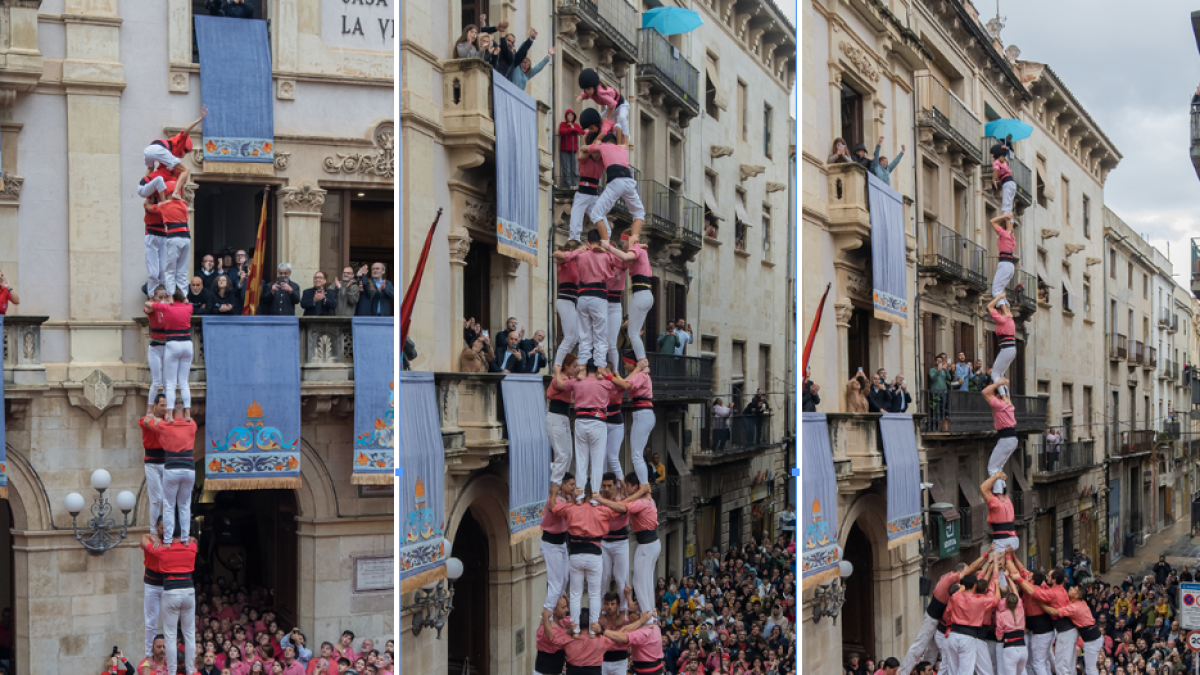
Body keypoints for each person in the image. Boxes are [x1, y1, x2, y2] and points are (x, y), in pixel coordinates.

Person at [550, 480, 629, 633]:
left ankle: (575, 629)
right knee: (594, 594)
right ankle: (593, 630)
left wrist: (554, 493)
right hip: (594, 554)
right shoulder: (602, 509)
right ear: (596, 492)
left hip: (576, 554)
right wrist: (608, 498)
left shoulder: (571, 508)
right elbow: (623, 509)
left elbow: (553, 508)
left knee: (575, 594)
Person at [896, 556, 986, 675]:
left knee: (932, 652)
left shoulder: (956, 584)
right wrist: (986, 556)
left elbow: (976, 574)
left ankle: (926, 672)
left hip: (940, 623)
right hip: (932, 618)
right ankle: (902, 672)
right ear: (960, 572)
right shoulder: (949, 579)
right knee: (919, 646)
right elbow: (972, 570)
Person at [554, 361, 629, 498]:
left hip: (580, 420)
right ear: (598, 369)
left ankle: (580, 496)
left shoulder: (577, 382)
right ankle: (595, 495)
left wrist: (557, 370)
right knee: (597, 462)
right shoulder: (605, 383)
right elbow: (625, 385)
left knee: (581, 461)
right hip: (598, 421)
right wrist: (608, 374)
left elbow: (560, 384)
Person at [554, 229, 620, 369]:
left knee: (581, 336)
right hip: (592, 296)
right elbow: (622, 261)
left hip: (581, 298)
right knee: (597, 335)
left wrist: (583, 251)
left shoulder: (581, 257)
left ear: (587, 242)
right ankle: (599, 365)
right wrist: (607, 248)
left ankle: (580, 366)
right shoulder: (603, 255)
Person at [583, 123, 645, 247]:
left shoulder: (604, 147)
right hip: (629, 181)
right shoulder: (623, 148)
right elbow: (619, 127)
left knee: (596, 214)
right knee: (639, 213)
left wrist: (590, 139)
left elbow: (585, 149)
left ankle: (605, 244)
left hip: (616, 181)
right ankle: (635, 241)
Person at [604, 234, 655, 364]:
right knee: (634, 333)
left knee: (633, 334)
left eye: (623, 242)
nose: (623, 245)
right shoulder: (639, 249)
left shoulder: (636, 250)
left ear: (628, 240)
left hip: (641, 294)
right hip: (646, 295)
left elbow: (626, 257)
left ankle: (642, 362)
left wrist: (608, 247)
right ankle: (642, 361)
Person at [156, 522, 198, 675]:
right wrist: (190, 538)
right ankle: (190, 670)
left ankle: (172, 671)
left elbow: (145, 545)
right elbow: (195, 541)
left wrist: (154, 536)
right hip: (188, 590)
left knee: (170, 635)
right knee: (189, 633)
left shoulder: (162, 550)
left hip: (171, 591)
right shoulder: (191, 547)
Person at [146, 290, 194, 422]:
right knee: (183, 382)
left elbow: (149, 304)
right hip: (186, 343)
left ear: (171, 297)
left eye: (166, 296)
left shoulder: (166, 307)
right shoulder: (188, 307)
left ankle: (170, 415)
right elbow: (188, 304)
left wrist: (159, 301)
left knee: (170, 383)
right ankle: (187, 414)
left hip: (172, 344)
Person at [617, 473, 658, 626]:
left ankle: (647, 616)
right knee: (646, 581)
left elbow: (622, 506)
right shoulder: (647, 500)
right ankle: (650, 612)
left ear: (635, 487)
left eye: (627, 486)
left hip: (646, 545)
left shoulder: (641, 502)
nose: (625, 488)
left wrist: (640, 492)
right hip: (650, 543)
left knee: (639, 582)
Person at [570, 111, 616, 242]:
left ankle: (602, 247)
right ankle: (574, 245)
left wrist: (602, 135)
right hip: (583, 193)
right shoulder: (585, 156)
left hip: (594, 195)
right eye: (596, 152)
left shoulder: (601, 159)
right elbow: (584, 152)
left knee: (606, 229)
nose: (597, 155)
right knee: (575, 227)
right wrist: (590, 141)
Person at [143, 107, 205, 199]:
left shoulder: (168, 155)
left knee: (150, 168)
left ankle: (145, 186)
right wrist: (199, 119)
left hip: (149, 150)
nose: (184, 155)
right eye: (186, 152)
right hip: (159, 149)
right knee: (186, 170)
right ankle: (175, 192)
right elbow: (186, 130)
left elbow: (161, 168)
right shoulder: (180, 143)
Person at [158, 403, 198, 547]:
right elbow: (189, 420)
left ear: (171, 412)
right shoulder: (192, 424)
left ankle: (168, 540)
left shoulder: (166, 426)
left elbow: (154, 427)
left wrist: (165, 417)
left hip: (172, 468)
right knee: (185, 505)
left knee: (169, 505)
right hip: (189, 468)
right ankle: (185, 538)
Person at [143, 179, 192, 296]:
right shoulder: (175, 204)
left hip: (165, 236)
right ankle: (153, 295)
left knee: (165, 271)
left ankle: (167, 295)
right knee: (154, 273)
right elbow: (148, 205)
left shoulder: (166, 205)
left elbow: (149, 206)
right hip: (152, 234)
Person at [598, 476, 632, 616]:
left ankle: (623, 611)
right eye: (604, 486)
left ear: (614, 486)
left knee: (620, 578)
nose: (606, 489)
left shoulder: (622, 499)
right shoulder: (598, 499)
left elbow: (622, 508)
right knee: (603, 578)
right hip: (603, 542)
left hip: (620, 543)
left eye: (609, 486)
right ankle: (602, 611)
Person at [577, 67, 631, 143]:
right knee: (599, 120)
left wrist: (608, 117)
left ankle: (626, 141)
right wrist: (580, 97)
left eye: (588, 89)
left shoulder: (600, 92)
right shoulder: (590, 92)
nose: (587, 92)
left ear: (594, 86)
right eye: (585, 90)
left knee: (622, 117)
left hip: (621, 104)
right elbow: (584, 94)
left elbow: (613, 104)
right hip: (611, 107)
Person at [140, 395, 168, 532]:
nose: (165, 408)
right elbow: (145, 422)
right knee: (156, 499)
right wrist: (154, 420)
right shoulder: (145, 420)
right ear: (155, 405)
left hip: (167, 462)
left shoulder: (169, 421)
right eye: (162, 405)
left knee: (169, 500)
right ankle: (153, 530)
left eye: (166, 405)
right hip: (152, 463)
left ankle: (170, 529)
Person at [625, 359, 655, 485]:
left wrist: (610, 377)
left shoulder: (641, 375)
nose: (624, 366)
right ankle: (644, 484)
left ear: (633, 364)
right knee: (636, 455)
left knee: (637, 455)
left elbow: (626, 384)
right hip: (643, 414)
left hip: (643, 413)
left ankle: (644, 485)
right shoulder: (642, 375)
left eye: (626, 363)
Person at [142, 519, 166, 663]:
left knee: (170, 622)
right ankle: (149, 654)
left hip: (167, 584)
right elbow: (143, 539)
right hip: (152, 584)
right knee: (151, 621)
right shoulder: (149, 539)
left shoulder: (173, 541)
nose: (165, 530)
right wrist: (152, 536)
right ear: (156, 527)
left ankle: (170, 653)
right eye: (162, 528)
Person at [555, 242, 582, 366]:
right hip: (564, 300)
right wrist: (578, 251)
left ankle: (565, 364)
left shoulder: (576, 264)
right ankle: (558, 366)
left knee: (575, 337)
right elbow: (556, 254)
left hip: (571, 302)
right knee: (569, 337)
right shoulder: (565, 260)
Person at [982, 473, 1019, 564]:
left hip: (1002, 541)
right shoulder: (1007, 500)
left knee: (997, 567)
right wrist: (1001, 479)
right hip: (1013, 539)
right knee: (1008, 566)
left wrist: (996, 476)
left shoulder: (995, 502)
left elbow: (983, 488)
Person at [983, 378, 1016, 477]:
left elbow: (984, 392)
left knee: (992, 468)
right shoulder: (1008, 404)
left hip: (1006, 440)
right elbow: (1006, 395)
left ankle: (996, 486)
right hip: (1012, 440)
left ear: (997, 396)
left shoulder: (1000, 405)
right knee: (999, 468)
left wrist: (998, 383)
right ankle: (1001, 485)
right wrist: (1004, 384)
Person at [988, 292, 1017, 394]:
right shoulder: (1010, 320)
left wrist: (999, 297)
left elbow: (989, 307)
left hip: (1006, 349)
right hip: (1011, 349)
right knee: (1001, 374)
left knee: (994, 374)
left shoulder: (1002, 320)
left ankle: (1003, 395)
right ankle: (1006, 395)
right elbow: (1006, 310)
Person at [535, 597, 570, 675]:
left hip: (556, 670)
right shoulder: (544, 629)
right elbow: (556, 639)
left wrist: (566, 598)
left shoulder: (560, 622)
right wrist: (545, 618)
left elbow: (574, 618)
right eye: (563, 607)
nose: (567, 610)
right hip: (546, 671)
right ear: (554, 610)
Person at [991, 143, 1017, 226]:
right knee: (1010, 206)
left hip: (1007, 183)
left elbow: (995, 171)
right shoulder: (1005, 162)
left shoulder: (996, 162)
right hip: (1012, 183)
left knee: (1006, 206)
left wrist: (994, 180)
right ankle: (1011, 226)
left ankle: (1008, 227)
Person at [558, 109, 585, 187]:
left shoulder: (576, 125)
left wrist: (573, 128)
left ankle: (574, 185)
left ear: (574, 116)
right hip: (564, 149)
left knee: (574, 169)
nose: (570, 116)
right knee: (566, 169)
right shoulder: (562, 124)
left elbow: (582, 132)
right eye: (568, 114)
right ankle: (568, 185)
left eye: (572, 115)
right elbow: (561, 131)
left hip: (573, 150)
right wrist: (571, 129)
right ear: (566, 116)